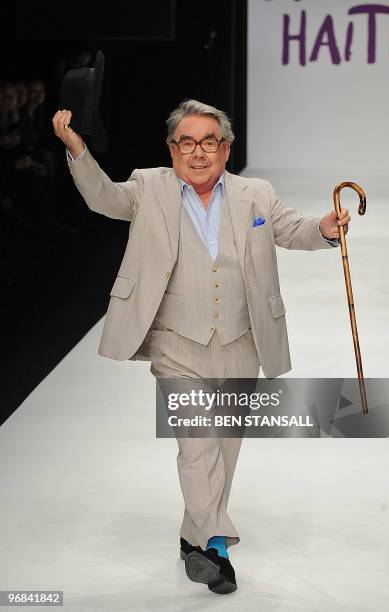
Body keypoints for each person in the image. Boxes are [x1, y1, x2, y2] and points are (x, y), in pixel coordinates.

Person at [52, 99, 350, 595]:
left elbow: (290, 229)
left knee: (225, 451)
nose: (197, 152)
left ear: (226, 148)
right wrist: (77, 149)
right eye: (185, 142)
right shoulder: (149, 187)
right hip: (176, 343)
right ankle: (216, 546)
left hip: (242, 339)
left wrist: (322, 230)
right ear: (171, 150)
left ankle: (193, 537)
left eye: (207, 142)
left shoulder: (256, 193)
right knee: (197, 445)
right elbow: (104, 198)